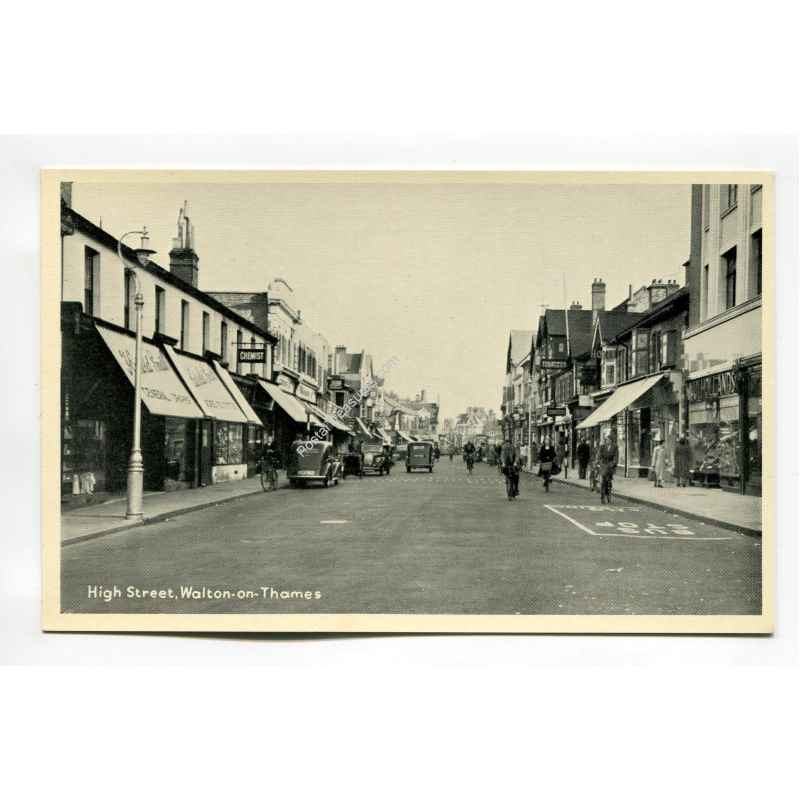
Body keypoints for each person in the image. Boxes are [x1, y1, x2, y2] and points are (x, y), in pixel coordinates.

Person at [597, 433, 619, 503]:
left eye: (609, 440)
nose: (607, 441)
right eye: (606, 440)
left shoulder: (615, 447)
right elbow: (599, 456)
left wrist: (613, 463)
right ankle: (602, 497)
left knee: (609, 479)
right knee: (603, 480)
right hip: (603, 464)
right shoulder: (602, 447)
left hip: (611, 465)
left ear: (612, 441)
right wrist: (599, 462)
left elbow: (616, 456)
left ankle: (609, 490)